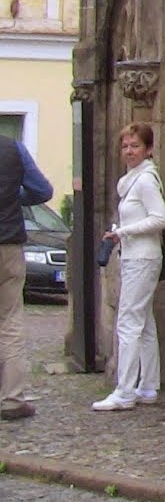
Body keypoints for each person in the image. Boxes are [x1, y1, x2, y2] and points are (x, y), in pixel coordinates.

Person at [93, 123, 165, 412]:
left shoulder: (146, 180)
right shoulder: (132, 180)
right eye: (125, 146)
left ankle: (124, 390)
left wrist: (124, 232)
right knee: (144, 322)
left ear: (147, 149)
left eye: (135, 146)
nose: (129, 151)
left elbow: (161, 218)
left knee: (128, 322)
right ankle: (148, 386)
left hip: (142, 258)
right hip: (135, 255)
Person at [1, 134, 54, 421]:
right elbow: (42, 191)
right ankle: (12, 400)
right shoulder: (13, 148)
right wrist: (14, 197)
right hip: (8, 244)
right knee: (10, 321)